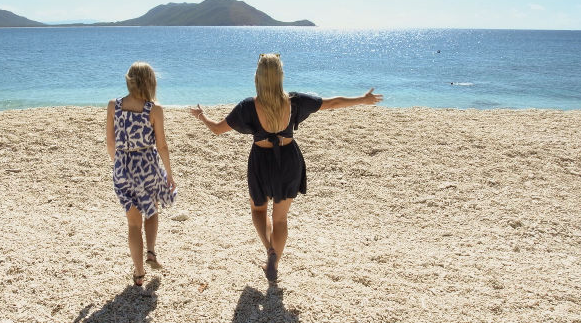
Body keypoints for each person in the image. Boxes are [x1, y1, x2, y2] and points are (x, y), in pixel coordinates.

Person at [189, 53, 383, 281]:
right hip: (289, 160)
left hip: (261, 160)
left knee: (258, 209)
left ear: (258, 77)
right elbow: (333, 103)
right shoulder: (295, 101)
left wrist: (201, 116)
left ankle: (269, 250)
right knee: (280, 219)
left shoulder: (248, 106)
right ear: (280, 76)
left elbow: (217, 129)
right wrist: (362, 99)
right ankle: (275, 262)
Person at [106, 62, 177, 287]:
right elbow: (162, 145)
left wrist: (118, 166)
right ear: (150, 82)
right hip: (147, 165)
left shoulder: (113, 105)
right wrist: (169, 173)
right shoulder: (153, 109)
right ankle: (151, 252)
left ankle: (138, 273)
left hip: (122, 166)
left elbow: (110, 142)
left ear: (129, 80)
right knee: (152, 210)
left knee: (133, 223)